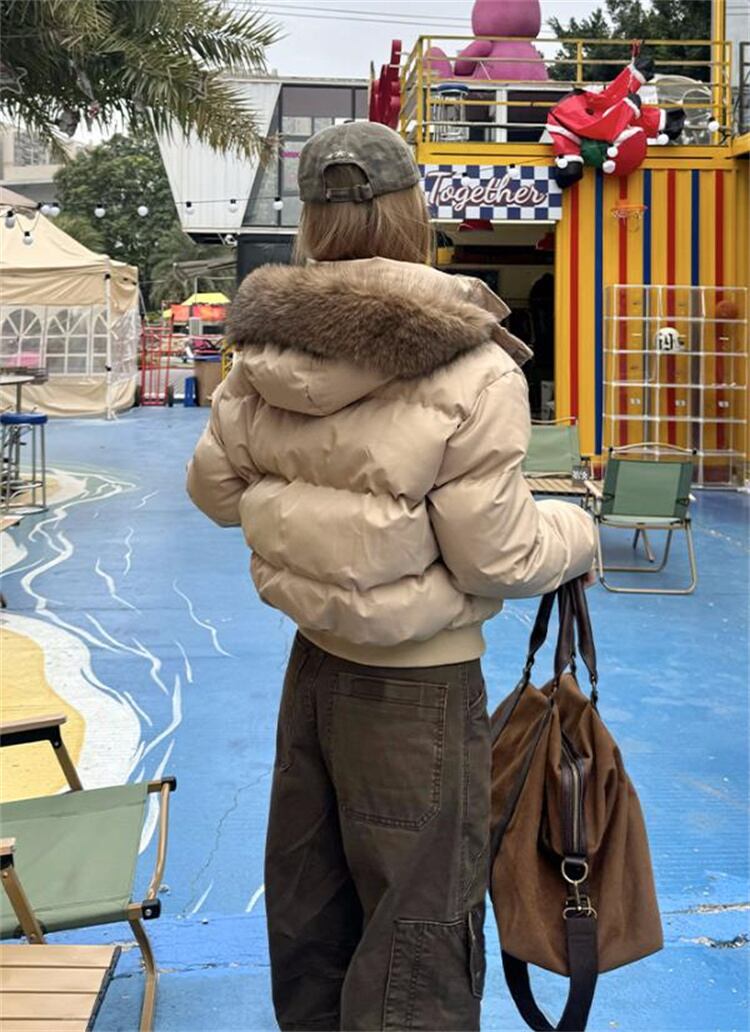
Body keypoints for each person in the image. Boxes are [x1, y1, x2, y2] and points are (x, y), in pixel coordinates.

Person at [187, 121, 595, 1032]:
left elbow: (214, 493)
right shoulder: (472, 361)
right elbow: (498, 555)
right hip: (422, 689)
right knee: (418, 934)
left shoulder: (262, 352)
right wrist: (577, 532)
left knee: (312, 909)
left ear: (311, 221)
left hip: (312, 669)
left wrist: (299, 506)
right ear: (414, 211)